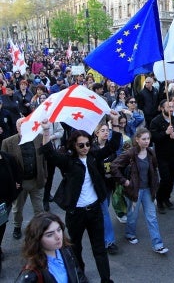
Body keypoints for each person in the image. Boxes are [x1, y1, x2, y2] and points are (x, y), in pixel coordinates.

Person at [39, 112, 121, 283]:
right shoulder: (69, 162)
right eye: (81, 145)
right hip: (76, 213)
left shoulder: (92, 157)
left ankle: (106, 279)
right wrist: (46, 131)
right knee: (75, 249)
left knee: (99, 249)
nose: (85, 148)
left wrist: (115, 123)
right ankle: (80, 277)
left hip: (95, 210)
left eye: (88, 144)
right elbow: (49, 155)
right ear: (74, 146)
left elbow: (112, 146)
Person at [111, 127, 169, 254]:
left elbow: (154, 168)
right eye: (143, 139)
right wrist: (125, 182)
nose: (147, 141)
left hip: (148, 190)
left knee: (152, 217)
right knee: (133, 216)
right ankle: (130, 234)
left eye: (148, 138)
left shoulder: (151, 152)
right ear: (137, 139)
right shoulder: (130, 153)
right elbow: (114, 166)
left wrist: (155, 184)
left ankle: (157, 244)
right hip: (134, 191)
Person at [1, 118, 46, 240]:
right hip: (19, 183)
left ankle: (41, 229)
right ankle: (17, 227)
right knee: (17, 209)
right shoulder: (8, 142)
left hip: (36, 180)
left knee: (39, 208)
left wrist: (44, 175)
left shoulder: (38, 137)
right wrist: (11, 182)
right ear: (17, 127)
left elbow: (43, 159)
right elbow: (4, 165)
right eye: (21, 125)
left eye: (26, 125)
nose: (23, 127)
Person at [15, 212, 88, 283]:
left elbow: (79, 276)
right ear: (37, 239)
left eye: (59, 230)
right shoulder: (31, 273)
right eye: (49, 235)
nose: (58, 237)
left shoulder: (66, 249)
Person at [150, 99, 174, 213]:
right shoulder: (155, 121)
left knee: (171, 178)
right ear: (162, 108)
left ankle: (167, 198)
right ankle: (160, 200)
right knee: (165, 178)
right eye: (168, 107)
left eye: (172, 107)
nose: (171, 109)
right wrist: (165, 133)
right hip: (162, 155)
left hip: (173, 153)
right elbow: (153, 138)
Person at [92, 123, 119, 255]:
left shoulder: (111, 147)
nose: (106, 133)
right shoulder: (92, 148)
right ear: (96, 133)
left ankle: (97, 228)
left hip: (109, 184)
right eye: (102, 130)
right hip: (98, 185)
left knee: (104, 209)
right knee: (104, 212)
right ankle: (109, 241)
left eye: (107, 130)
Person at [0, 150, 21, 273]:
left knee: (1, 226)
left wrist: (15, 187)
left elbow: (17, 176)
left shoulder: (8, 158)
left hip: (3, 204)